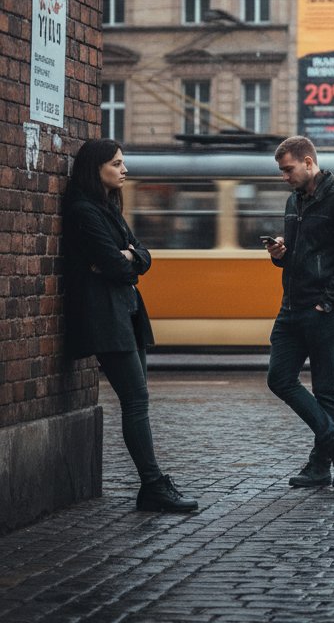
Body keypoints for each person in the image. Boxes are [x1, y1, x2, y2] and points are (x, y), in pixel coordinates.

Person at [62, 139, 198, 513]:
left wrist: (129, 256)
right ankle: (152, 486)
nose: (125, 170)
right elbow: (121, 265)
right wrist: (127, 258)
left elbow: (142, 256)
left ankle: (153, 484)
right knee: (135, 402)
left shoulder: (107, 208)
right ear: (97, 168)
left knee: (139, 401)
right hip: (105, 315)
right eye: (118, 163)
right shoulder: (83, 211)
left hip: (125, 311)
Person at [265, 136, 334, 488]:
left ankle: (320, 466)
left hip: (323, 310)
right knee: (279, 378)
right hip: (290, 307)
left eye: (288, 169)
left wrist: (328, 302)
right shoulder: (293, 201)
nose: (284, 176)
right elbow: (298, 255)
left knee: (326, 388)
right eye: (281, 170)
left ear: (308, 162)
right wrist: (280, 255)